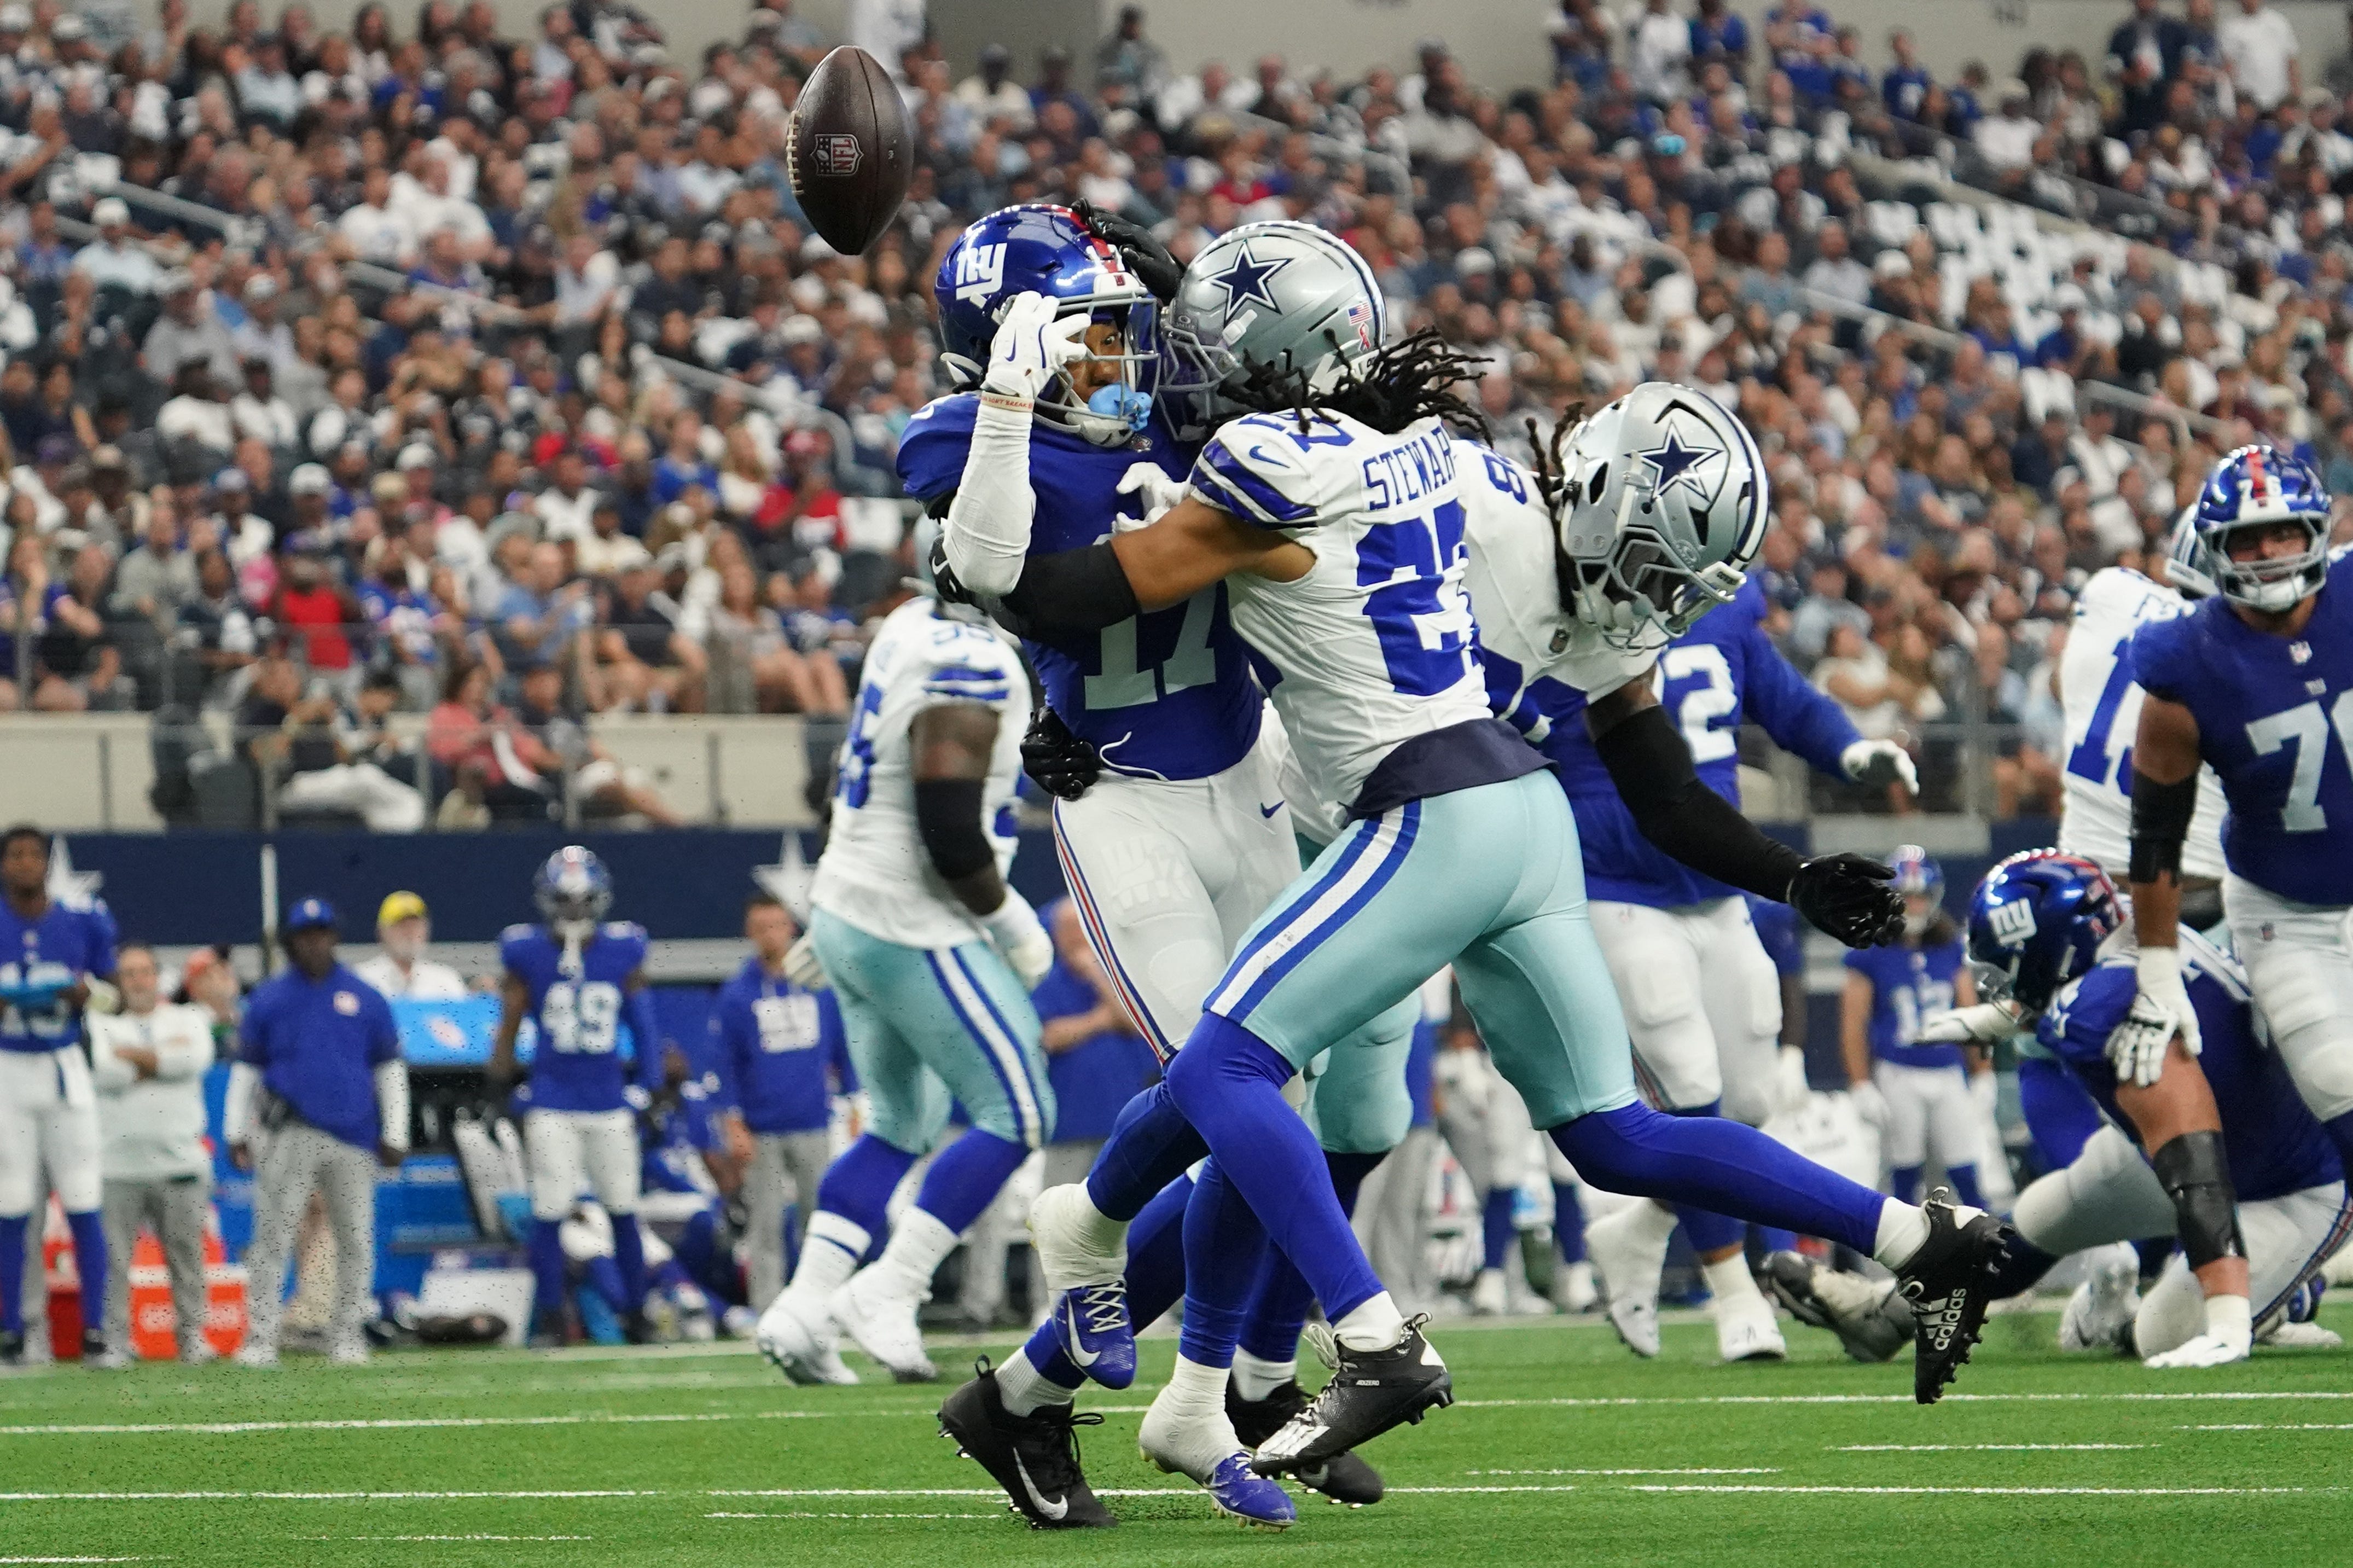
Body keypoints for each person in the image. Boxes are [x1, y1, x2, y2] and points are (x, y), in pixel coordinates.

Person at [952, 221, 2006, 1477]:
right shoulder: (1453, 483)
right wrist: (1070, 700)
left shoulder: (1500, 528)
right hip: (1409, 826)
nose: (1657, 601)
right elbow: (1237, 460)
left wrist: (1785, 875)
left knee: (1241, 1089)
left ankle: (1156, 1332)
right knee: (1429, 1125)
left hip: (1405, 835)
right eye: (1659, 566)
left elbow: (1661, 789)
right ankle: (1915, 1239)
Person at [913, 204, 1410, 1523]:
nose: (1118, 359)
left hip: (1243, 780)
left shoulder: (1173, 414)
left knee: (1262, 1100)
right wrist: (1016, 406)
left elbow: (1253, 387)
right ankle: (1334, 1336)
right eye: (1081, 336)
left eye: (1115, 331)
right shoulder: (966, 434)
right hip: (1123, 799)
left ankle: (1040, 1391)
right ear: (1005, 350)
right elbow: (983, 561)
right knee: (1235, 1083)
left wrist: (1182, 288)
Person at [1507, 570, 1917, 1365]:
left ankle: (1640, 1228)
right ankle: (1738, 1295)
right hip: (1617, 882)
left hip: (1720, 881)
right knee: (1690, 1085)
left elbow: (1783, 698)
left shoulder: (1725, 608)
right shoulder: (1571, 596)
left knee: (1752, 1099)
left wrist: (1850, 748)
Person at [1773, 852, 2348, 1368]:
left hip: (2292, 1184)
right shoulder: (2122, 945)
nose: (2003, 984)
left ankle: (2290, 1291)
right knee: (2043, 1215)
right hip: (2225, 1141)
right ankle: (1888, 1315)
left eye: (2010, 963)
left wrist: (2225, 1315)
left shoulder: (2109, 1014)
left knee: (2162, 1335)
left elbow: (2193, 1166)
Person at [753, 537, 1056, 1389]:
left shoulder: (904, 627)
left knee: (900, 1124)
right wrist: (1012, 923)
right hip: (909, 917)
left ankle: (804, 1307)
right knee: (1020, 1111)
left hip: (849, 902)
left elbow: (863, 781)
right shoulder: (971, 661)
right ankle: (890, 1287)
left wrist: (832, 895)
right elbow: (949, 829)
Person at [2124, 448, 2353, 1224]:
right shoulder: (2185, 660)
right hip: (2285, 911)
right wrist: (2156, 974)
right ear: (2215, 550)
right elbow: (2156, 833)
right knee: (2335, 1077)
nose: (2267, 553)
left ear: (2315, 531)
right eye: (2247, 540)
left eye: (2282, 533)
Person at [489, 846, 667, 1346]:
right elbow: (510, 1022)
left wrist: (652, 1087)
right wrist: (497, 1082)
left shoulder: (624, 950)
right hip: (552, 1099)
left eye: (581, 900)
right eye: (564, 901)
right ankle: (551, 1316)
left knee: (623, 1207)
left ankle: (636, 1312)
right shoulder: (526, 953)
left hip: (608, 1100)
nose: (573, 912)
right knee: (549, 1210)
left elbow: (644, 1024)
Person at [225, 897, 406, 1367]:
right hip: (291, 1130)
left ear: (335, 938)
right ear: (290, 942)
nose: (314, 943)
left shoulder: (365, 997)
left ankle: (346, 1333)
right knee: (273, 1237)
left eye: (321, 933)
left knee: (355, 1238)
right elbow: (246, 1068)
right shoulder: (269, 998)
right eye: (305, 935)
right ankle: (261, 1337)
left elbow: (388, 1066)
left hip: (354, 1135)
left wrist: (397, 1131)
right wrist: (235, 1130)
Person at [2053, 522, 2227, 917]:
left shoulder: (2109, 590)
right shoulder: (2249, 651)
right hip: (2196, 896)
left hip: (2080, 886)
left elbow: (2061, 684)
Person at [0, 824, 121, 1368]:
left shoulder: (82, 919)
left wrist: (86, 993)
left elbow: (116, 995)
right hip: (8, 1066)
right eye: (16, 854)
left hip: (64, 1066)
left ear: (48, 864)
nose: (26, 863)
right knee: (11, 1203)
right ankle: (12, 1329)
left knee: (82, 1197)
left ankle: (96, 1328)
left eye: (34, 854)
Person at [714, 892, 846, 1313]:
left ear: (791, 928)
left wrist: (854, 1099)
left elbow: (844, 1046)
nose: (771, 936)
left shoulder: (820, 985)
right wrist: (732, 1123)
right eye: (761, 928)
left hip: (814, 1119)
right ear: (750, 934)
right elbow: (725, 1064)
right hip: (762, 1127)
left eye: (777, 925)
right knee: (765, 1227)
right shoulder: (737, 994)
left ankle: (822, 1306)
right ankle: (767, 1311)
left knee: (821, 1224)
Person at [89, 943, 217, 1363]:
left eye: (145, 971)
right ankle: (116, 1340)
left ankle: (193, 1336)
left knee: (187, 1257)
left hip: (179, 1158)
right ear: (118, 982)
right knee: (114, 1262)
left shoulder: (190, 1019)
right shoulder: (100, 1024)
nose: (139, 980)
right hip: (117, 1162)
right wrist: (161, 1060)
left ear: (158, 976)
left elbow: (192, 1060)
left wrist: (138, 1060)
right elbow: (105, 1073)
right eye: (129, 973)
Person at [1841, 847, 1985, 1209]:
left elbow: (1970, 1013)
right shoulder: (1871, 949)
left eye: (1920, 897)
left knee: (1966, 1171)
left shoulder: (1949, 946)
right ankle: (1904, 1257)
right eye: (1905, 897)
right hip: (1897, 1071)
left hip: (1948, 1070)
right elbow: (1852, 1022)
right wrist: (1859, 1082)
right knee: (1904, 1170)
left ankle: (1984, 1252)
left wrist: (1982, 1072)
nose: (1914, 906)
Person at [1032, 899, 1157, 1190]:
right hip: (1070, 1121)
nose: (1076, 939)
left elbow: (1132, 1020)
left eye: (1082, 929)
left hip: (1122, 1116)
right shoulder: (1047, 977)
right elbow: (1049, 1036)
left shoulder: (1120, 975)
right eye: (1067, 930)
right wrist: (1100, 1020)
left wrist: (1096, 975)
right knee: (1058, 1200)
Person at [353, 891, 468, 1000]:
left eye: (415, 926)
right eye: (401, 926)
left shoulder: (445, 980)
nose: (410, 933)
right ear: (382, 932)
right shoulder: (361, 979)